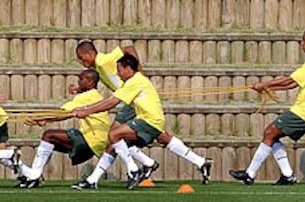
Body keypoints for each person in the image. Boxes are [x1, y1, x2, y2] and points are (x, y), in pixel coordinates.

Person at [73, 42, 212, 189]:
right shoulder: (99, 68)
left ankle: (134, 169)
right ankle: (199, 162)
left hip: (130, 99)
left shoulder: (104, 61)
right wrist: (80, 89)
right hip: (132, 100)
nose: (82, 63)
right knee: (158, 136)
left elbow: (128, 48)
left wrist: (139, 73)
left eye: (81, 58)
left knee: (114, 137)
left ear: (89, 54)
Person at [229, 27, 305, 185]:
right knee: (271, 135)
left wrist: (264, 84)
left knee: (269, 132)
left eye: (304, 39)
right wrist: (268, 88)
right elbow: (292, 85)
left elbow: (290, 81)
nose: (302, 43)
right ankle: (287, 175)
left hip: (304, 110)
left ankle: (250, 174)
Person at [17, 69, 111, 189]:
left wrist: (37, 118)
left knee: (48, 135)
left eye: (81, 80)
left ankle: (34, 177)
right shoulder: (94, 95)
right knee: (50, 142)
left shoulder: (86, 97)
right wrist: (43, 119)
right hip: (95, 140)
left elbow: (62, 113)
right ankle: (34, 176)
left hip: (91, 140)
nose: (78, 82)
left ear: (90, 81)